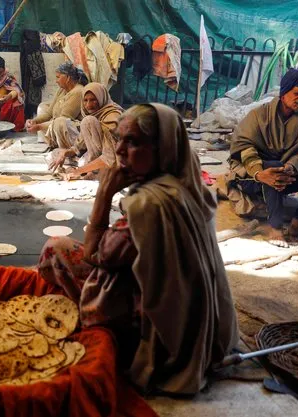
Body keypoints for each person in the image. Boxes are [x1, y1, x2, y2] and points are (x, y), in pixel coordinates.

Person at [38, 104, 239, 395]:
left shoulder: (149, 205)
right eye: (118, 139)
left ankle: (114, 338)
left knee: (56, 250)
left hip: (164, 339)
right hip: (202, 322)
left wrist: (104, 194)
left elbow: (95, 256)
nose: (119, 150)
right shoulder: (192, 187)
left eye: (133, 141)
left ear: (162, 148)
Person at [229, 68, 298, 247]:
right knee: (274, 166)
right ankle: (274, 228)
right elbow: (243, 147)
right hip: (251, 177)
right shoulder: (258, 115)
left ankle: (297, 225)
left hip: (286, 176)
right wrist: (260, 173)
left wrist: (290, 167)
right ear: (284, 92)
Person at [47, 82, 123, 180]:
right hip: (96, 158)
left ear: (101, 98)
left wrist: (79, 171)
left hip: (114, 164)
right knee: (53, 155)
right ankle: (87, 168)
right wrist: (64, 154)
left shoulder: (112, 118)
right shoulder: (95, 115)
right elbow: (78, 147)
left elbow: (110, 158)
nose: (88, 105)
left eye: (93, 100)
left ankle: (93, 171)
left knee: (88, 121)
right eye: (85, 100)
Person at [25, 61, 85, 146]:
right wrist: (34, 121)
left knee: (60, 121)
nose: (56, 81)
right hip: (56, 124)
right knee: (43, 106)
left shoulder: (78, 91)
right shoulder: (62, 90)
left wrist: (39, 127)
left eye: (58, 77)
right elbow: (49, 113)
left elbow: (63, 121)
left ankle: (66, 146)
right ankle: (50, 141)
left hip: (73, 131)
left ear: (68, 78)